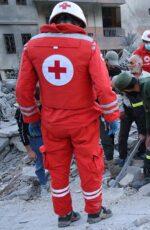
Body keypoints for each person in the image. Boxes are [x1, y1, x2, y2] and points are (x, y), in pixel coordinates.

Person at [15, 1, 119, 227]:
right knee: (89, 166)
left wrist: (32, 119)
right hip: (84, 122)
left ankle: (64, 215)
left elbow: (23, 91)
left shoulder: (32, 46)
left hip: (51, 122)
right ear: (80, 22)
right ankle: (94, 211)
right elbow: (103, 87)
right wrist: (112, 118)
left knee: (58, 169)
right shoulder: (88, 45)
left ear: (53, 21)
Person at [15, 90, 48, 192]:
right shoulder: (21, 111)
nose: (38, 105)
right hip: (35, 140)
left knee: (56, 159)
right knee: (39, 162)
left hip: (49, 137)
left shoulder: (46, 105)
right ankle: (43, 185)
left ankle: (59, 182)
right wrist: (29, 150)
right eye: (36, 102)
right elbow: (22, 131)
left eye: (40, 102)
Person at [101, 50, 122, 178]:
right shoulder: (98, 69)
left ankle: (108, 161)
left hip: (108, 107)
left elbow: (119, 76)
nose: (113, 67)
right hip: (97, 108)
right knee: (105, 136)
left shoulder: (114, 70)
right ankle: (109, 165)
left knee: (109, 136)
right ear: (106, 61)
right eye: (111, 64)